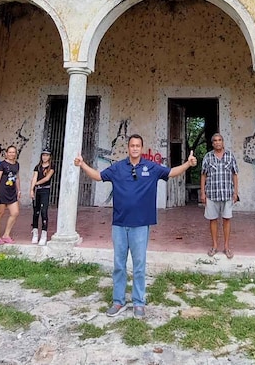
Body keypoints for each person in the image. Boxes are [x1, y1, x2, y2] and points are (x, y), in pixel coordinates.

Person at [74, 134, 196, 319]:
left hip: (140, 225)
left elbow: (170, 172)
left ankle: (139, 303)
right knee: (119, 265)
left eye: (138, 145)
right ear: (128, 148)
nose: (135, 148)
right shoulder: (117, 168)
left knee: (139, 266)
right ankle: (118, 301)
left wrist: (188, 164)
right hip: (120, 224)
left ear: (141, 147)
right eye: (132, 145)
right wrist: (82, 165)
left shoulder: (151, 167)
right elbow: (98, 176)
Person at [200, 133, 240, 259]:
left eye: (220, 140)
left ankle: (227, 247)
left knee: (227, 219)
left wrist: (235, 192)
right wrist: (203, 193)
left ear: (223, 142)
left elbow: (235, 174)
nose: (217, 142)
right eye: (215, 141)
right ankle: (215, 246)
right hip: (212, 194)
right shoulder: (208, 157)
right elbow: (203, 175)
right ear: (212, 144)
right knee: (213, 220)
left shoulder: (230, 156)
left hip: (227, 193)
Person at [0, 145, 21, 245]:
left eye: (14, 152)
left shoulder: (17, 164)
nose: (12, 154)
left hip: (12, 192)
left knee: (15, 212)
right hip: (2, 192)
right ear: (6, 153)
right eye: (10, 152)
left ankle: (6, 235)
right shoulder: (2, 165)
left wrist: (19, 190)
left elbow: (17, 177)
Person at [29, 149, 55, 246]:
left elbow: (47, 178)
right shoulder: (37, 167)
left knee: (44, 212)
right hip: (37, 190)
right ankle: (35, 233)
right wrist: (32, 189)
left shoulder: (51, 166)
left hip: (45, 190)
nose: (45, 157)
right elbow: (34, 177)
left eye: (47, 155)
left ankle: (44, 234)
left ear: (49, 157)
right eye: (43, 155)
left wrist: (37, 183)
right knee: (36, 212)